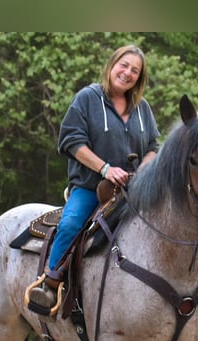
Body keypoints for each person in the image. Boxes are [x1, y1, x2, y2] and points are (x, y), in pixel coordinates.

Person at [28, 44, 160, 317]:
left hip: (134, 192)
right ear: (112, 65)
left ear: (140, 77)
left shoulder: (142, 108)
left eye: (135, 70)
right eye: (124, 65)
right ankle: (50, 285)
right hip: (92, 187)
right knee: (71, 223)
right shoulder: (88, 98)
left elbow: (154, 148)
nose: (128, 73)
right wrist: (105, 169)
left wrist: (142, 173)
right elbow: (71, 141)